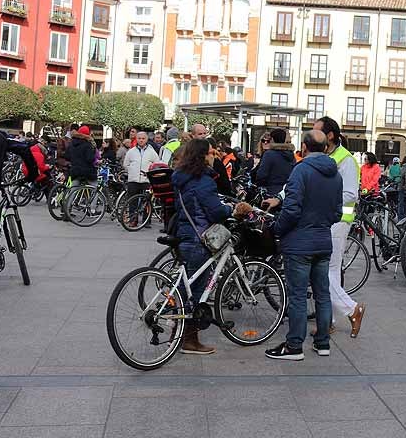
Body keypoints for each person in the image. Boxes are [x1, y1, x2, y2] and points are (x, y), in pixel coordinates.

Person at [266, 130, 344, 361]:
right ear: (326, 147)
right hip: (323, 240)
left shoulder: (301, 170)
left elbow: (291, 209)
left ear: (304, 146)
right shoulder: (335, 174)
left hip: (299, 243)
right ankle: (322, 343)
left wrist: (278, 229)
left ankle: (294, 346)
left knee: (298, 295)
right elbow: (338, 212)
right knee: (321, 294)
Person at [172, 139, 251, 355]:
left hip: (185, 234)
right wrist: (232, 211)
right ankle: (189, 341)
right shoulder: (203, 180)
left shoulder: (181, 178)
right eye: (211, 153)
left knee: (186, 287)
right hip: (200, 237)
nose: (214, 156)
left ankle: (176, 332)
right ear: (202, 155)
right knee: (196, 291)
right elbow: (214, 212)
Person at [313, 117, 366, 337]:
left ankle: (351, 308)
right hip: (327, 221)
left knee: (325, 272)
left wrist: (322, 200)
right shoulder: (326, 156)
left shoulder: (345, 159)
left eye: (317, 131)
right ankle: (329, 320)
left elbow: (351, 193)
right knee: (329, 272)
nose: (312, 135)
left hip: (337, 222)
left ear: (330, 135)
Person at [122, 131, 160, 227]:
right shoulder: (131, 151)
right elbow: (125, 164)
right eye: (139, 138)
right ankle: (133, 220)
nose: (141, 140)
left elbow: (157, 164)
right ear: (136, 139)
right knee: (132, 201)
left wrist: (150, 173)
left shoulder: (151, 152)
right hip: (133, 180)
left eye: (143, 138)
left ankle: (146, 220)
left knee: (147, 201)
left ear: (146, 139)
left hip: (146, 180)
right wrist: (131, 170)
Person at [251, 128, 295, 197]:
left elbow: (261, 175)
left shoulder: (269, 154)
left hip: (270, 192)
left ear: (273, 139)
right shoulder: (291, 155)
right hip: (286, 193)